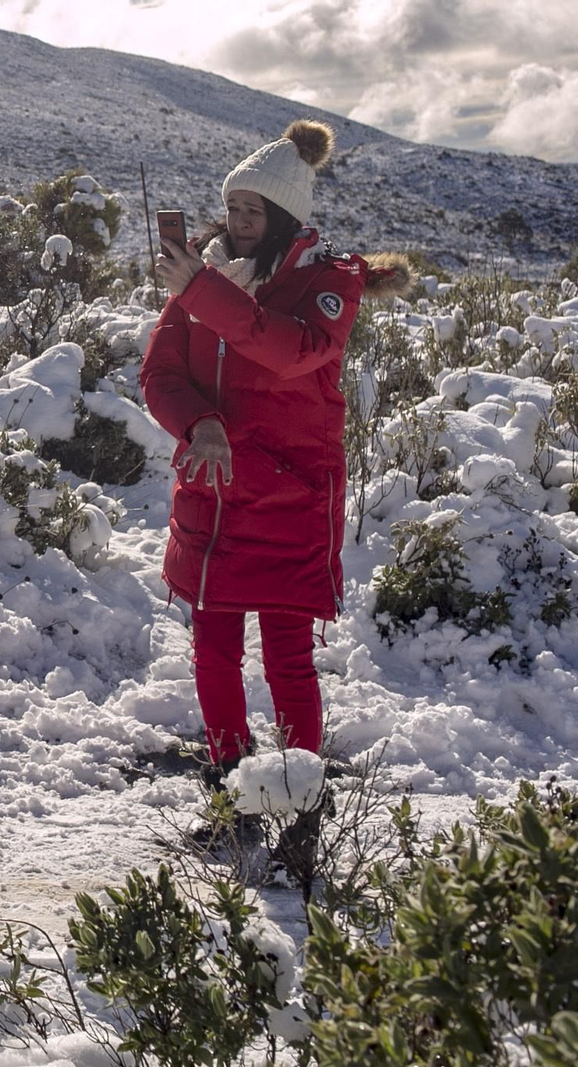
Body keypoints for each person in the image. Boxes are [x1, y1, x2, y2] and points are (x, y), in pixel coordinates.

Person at [141, 121, 409, 794]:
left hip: (290, 499)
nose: (238, 221)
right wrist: (198, 421)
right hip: (215, 492)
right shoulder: (206, 272)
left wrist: (201, 288)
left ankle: (297, 785)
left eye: (253, 211)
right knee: (214, 651)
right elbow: (160, 372)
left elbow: (290, 351)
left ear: (286, 216)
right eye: (233, 207)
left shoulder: (329, 284)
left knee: (290, 659)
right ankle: (230, 775)